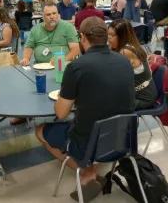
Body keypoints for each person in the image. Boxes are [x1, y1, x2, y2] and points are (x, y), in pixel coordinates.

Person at [35, 17, 135, 201]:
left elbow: (61, 113)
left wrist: (64, 96)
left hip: (91, 144)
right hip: (124, 139)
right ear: (106, 37)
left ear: (82, 38)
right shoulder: (124, 61)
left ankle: (86, 171)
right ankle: (91, 169)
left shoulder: (76, 66)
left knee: (40, 130)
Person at [108, 19, 157, 110]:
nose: (108, 38)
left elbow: (114, 75)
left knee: (103, 102)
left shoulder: (125, 51)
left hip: (143, 98)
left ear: (122, 36)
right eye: (108, 34)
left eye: (111, 35)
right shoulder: (128, 45)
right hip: (137, 93)